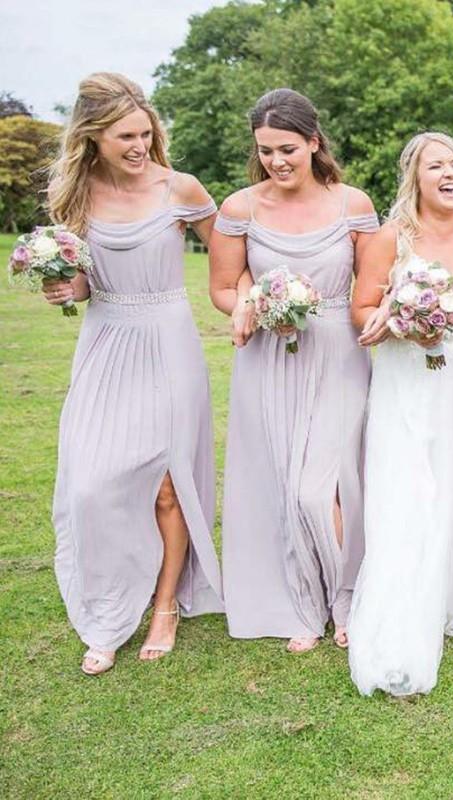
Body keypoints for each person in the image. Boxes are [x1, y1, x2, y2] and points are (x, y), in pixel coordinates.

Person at [41, 72, 223, 676]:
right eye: (126, 136)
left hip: (169, 338)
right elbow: (85, 279)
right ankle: (110, 599)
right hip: (105, 339)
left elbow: (235, 248)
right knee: (93, 482)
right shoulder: (75, 196)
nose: (140, 145)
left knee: (168, 484)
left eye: (146, 133)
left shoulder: (179, 188)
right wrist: (68, 286)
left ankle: (165, 604)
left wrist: (265, 294)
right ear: (93, 137)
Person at [347, 131, 453, 697]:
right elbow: (363, 309)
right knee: (415, 484)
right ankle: (413, 593)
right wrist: (403, 323)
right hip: (409, 379)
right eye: (434, 166)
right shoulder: (391, 238)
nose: (448, 173)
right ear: (414, 179)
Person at [209, 88, 378, 652]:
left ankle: (347, 597)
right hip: (270, 359)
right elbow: (223, 288)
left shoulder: (353, 205)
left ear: (314, 142)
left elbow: (371, 290)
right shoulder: (239, 208)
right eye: (265, 151)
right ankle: (304, 603)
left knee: (324, 488)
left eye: (287, 149)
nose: (277, 162)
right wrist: (252, 305)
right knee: (285, 486)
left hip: (338, 353)